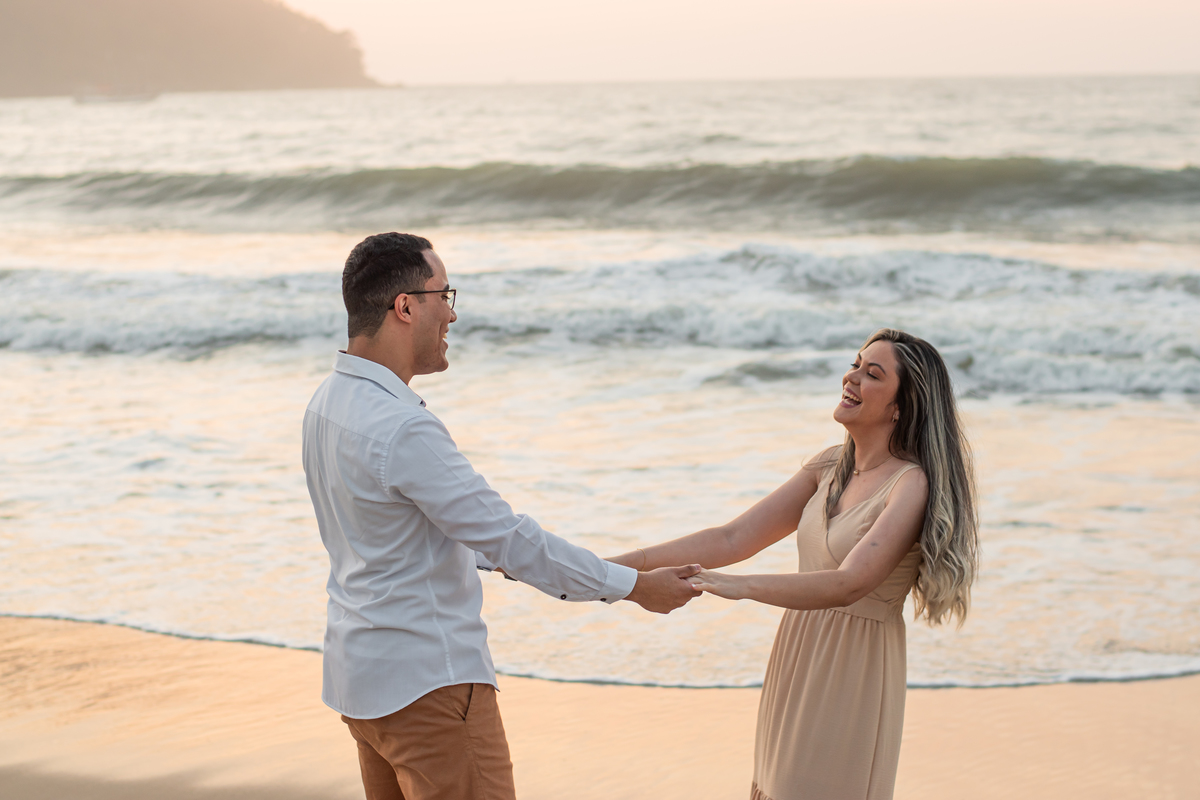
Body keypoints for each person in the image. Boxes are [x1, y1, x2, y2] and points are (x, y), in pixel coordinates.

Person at [302, 232, 700, 800]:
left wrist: (579, 567)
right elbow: (509, 537)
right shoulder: (402, 427)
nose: (454, 314)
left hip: (360, 681)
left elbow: (422, 531)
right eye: (445, 294)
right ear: (406, 306)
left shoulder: (325, 403)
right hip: (429, 688)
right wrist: (634, 587)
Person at [609, 328, 978, 800]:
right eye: (856, 364)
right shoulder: (829, 467)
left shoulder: (911, 485)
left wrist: (736, 586)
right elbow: (731, 537)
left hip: (853, 668)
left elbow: (849, 583)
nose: (852, 377)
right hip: (799, 652)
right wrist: (608, 568)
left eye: (872, 373)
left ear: (900, 406)